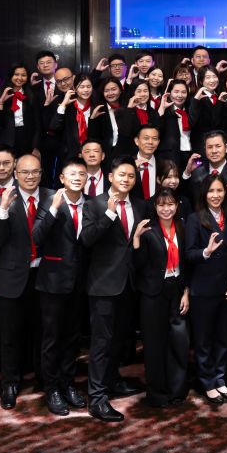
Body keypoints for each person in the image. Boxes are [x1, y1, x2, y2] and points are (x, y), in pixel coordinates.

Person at [81, 157, 147, 421]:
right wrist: (109, 214)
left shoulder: (140, 206)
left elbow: (133, 246)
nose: (126, 180)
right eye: (122, 175)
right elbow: (86, 240)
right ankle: (96, 398)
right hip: (103, 285)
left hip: (129, 284)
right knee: (101, 343)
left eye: (131, 176)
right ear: (110, 176)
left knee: (119, 341)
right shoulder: (94, 204)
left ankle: (112, 381)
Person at [32, 158, 92, 417]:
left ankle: (68, 383)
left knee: (72, 337)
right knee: (51, 338)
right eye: (72, 174)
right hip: (53, 281)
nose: (78, 177)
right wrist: (54, 209)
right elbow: (36, 236)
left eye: (82, 173)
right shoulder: (50, 202)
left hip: (81, 281)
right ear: (62, 179)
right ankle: (52, 388)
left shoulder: (91, 204)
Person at [0, 153, 50, 410]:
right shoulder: (2, 200)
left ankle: (43, 378)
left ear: (41, 173)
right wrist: (3, 210)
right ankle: (10, 384)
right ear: (16, 173)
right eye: (24, 172)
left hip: (44, 275)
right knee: (10, 335)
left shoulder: (51, 196)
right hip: (11, 277)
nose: (30, 176)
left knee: (43, 331)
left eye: (35, 172)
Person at [185, 174, 227, 405]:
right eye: (211, 191)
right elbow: (188, 253)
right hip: (203, 290)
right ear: (204, 194)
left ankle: (220, 379)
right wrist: (206, 252)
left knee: (223, 338)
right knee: (203, 340)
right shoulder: (194, 219)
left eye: (219, 191)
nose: (216, 195)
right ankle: (207, 382)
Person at [131, 189, 191, 408]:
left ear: (177, 205)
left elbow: (188, 263)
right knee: (154, 344)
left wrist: (186, 291)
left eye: (170, 204)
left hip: (177, 288)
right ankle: (157, 393)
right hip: (152, 292)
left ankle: (177, 390)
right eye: (161, 205)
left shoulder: (183, 227)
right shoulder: (148, 230)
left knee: (179, 341)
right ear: (155, 207)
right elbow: (137, 266)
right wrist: (136, 239)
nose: (166, 209)